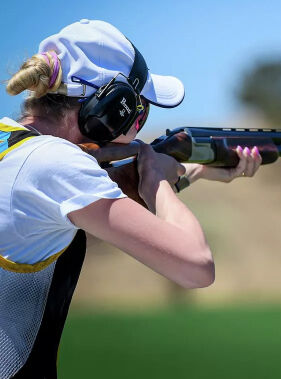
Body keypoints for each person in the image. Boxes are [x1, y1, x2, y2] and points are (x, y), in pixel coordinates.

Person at [0, 19, 261, 378]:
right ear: (109, 109)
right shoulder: (54, 163)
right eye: (138, 111)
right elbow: (196, 267)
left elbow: (97, 210)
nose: (138, 124)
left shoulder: (15, 148)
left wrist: (193, 173)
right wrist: (156, 182)